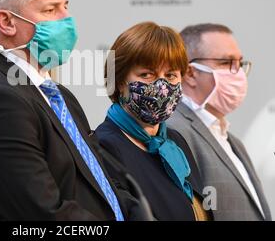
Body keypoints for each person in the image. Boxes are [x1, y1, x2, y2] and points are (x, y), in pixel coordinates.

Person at [0, 0, 138, 221]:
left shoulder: (60, 95)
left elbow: (103, 180)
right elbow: (43, 212)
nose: (66, 19)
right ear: (7, 22)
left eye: (66, 6)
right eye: (51, 9)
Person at [95, 22, 211, 221]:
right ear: (120, 81)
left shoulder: (175, 141)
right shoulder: (103, 147)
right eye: (147, 75)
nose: (162, 86)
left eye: (171, 75)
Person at [167, 23, 271, 221]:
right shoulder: (175, 131)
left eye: (239, 63)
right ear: (189, 73)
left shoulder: (231, 140)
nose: (238, 73)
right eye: (225, 63)